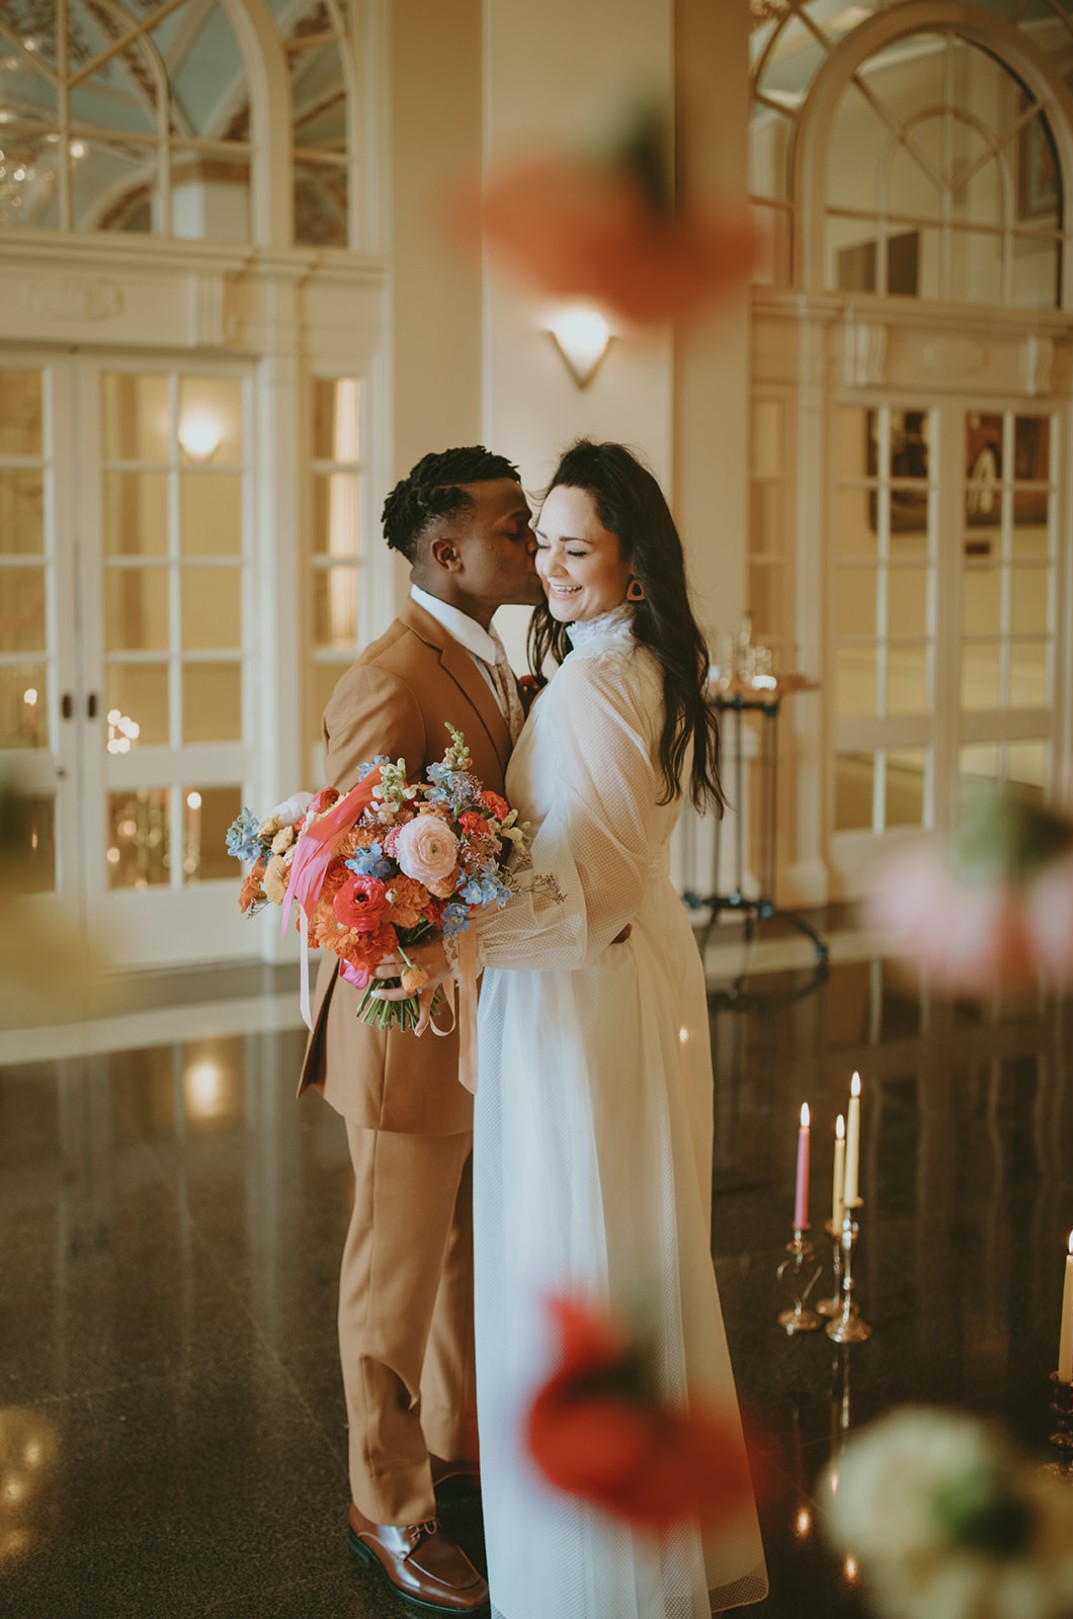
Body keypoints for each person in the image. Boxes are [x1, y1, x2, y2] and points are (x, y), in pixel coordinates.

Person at [377, 439, 767, 1617]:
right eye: (539, 538)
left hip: (580, 1003)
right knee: (622, 1248)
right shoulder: (620, 665)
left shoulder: (596, 686)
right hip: (615, 991)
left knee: (577, 1254)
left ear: (633, 567)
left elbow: (581, 903)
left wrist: (448, 934)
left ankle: (602, 1573)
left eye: (574, 545)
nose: (546, 563)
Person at [297, 444, 543, 1615]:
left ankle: (448, 1448)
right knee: (389, 1278)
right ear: (447, 552)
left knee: (457, 1256)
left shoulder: (492, 659)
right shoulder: (393, 673)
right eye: (512, 524)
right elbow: (336, 875)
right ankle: (384, 1505)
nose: (532, 538)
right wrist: (421, 909)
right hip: (406, 1027)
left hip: (471, 1018)